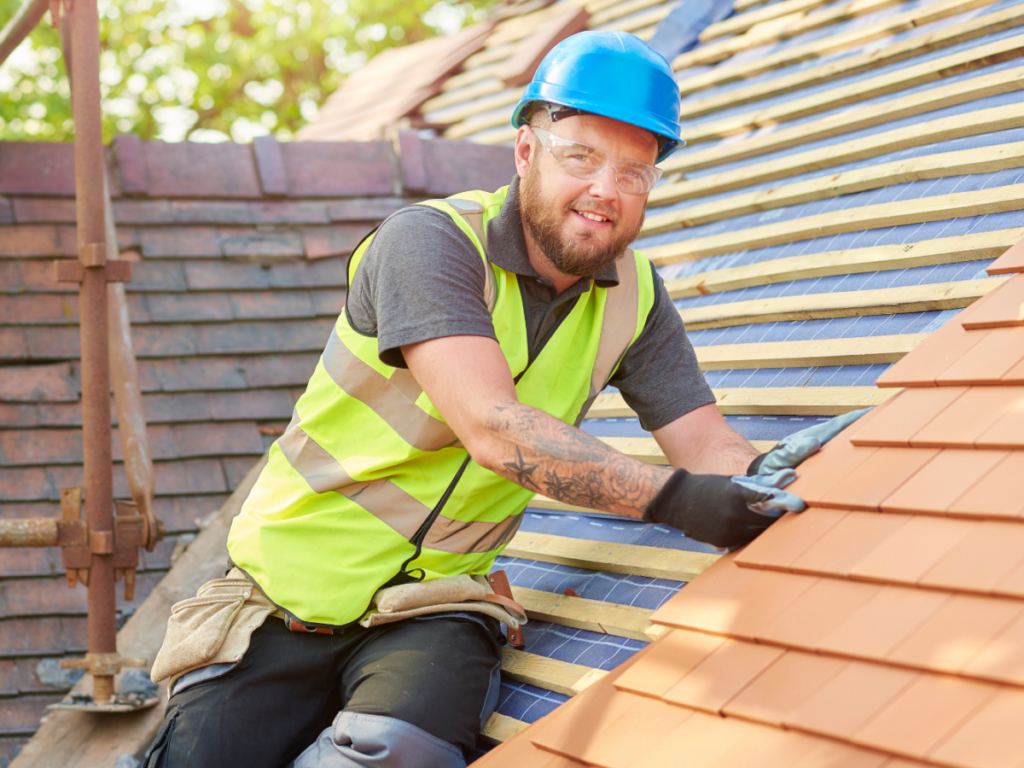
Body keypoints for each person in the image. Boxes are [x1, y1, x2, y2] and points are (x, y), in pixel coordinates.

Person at [141, 30, 860, 768]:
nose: (606, 191)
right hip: (279, 599)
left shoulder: (636, 297)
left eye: (634, 173)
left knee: (389, 757)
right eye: (580, 156)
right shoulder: (431, 245)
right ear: (525, 152)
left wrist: (763, 480)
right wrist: (681, 501)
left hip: (433, 606)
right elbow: (493, 428)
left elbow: (706, 445)